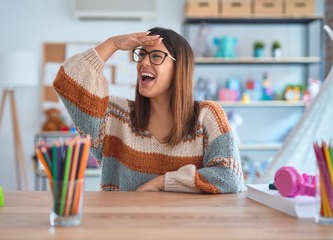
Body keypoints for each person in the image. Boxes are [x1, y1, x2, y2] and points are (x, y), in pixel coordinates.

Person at [53, 27, 245, 193]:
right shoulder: (116, 117)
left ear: (180, 68)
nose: (144, 62)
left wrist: (164, 182)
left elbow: (230, 176)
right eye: (142, 54)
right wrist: (113, 44)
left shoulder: (207, 115)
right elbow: (67, 81)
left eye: (155, 56)